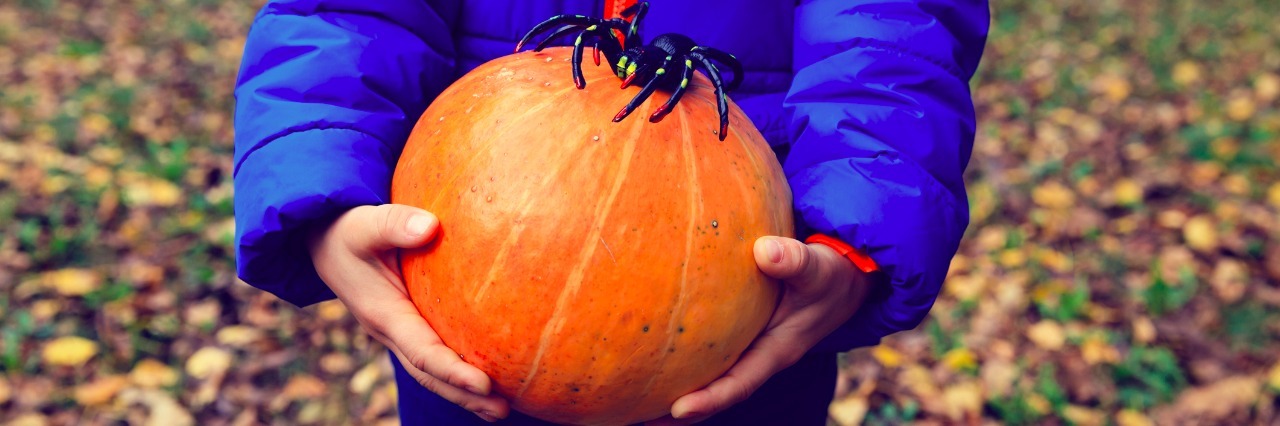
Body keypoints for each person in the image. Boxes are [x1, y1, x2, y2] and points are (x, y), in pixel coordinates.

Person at [232, 0, 989, 424]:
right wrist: (321, 185)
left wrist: (857, 227)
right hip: (460, 315)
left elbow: (895, 33)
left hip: (755, 313)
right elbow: (344, 12)